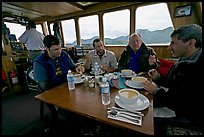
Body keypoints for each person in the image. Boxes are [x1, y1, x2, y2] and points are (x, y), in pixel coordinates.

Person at [143, 24, 203, 134]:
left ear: (191, 43)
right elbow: (173, 84)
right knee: (143, 101)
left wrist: (155, 91)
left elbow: (177, 102)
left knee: (146, 122)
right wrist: (157, 77)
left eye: (173, 43)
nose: (169, 47)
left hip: (190, 116)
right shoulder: (183, 60)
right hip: (175, 102)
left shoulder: (196, 70)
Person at [33, 35, 84, 123]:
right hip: (53, 90)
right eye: (56, 49)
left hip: (69, 85)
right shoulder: (39, 63)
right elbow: (44, 86)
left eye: (60, 48)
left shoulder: (64, 54)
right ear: (47, 49)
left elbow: (72, 66)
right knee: (70, 110)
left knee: (85, 99)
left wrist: (77, 68)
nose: (59, 51)